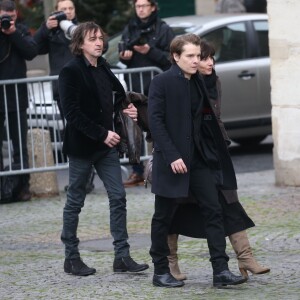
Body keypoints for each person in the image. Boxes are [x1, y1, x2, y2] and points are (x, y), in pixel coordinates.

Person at [148, 33, 247, 288]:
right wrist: (172, 156)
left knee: (213, 210)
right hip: (172, 161)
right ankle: (160, 271)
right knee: (163, 217)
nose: (196, 61)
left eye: (197, 56)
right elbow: (156, 123)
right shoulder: (161, 82)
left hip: (199, 159)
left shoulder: (198, 81)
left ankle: (221, 271)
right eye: (190, 56)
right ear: (175, 56)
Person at [167, 40, 270, 281]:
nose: (208, 62)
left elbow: (216, 118)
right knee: (174, 209)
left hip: (212, 153)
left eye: (210, 57)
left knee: (228, 200)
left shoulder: (213, 82)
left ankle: (244, 257)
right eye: (203, 58)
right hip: (184, 155)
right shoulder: (178, 82)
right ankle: (170, 261)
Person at [58, 21, 149, 276]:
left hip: (106, 147)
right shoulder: (71, 71)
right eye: (92, 38)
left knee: (118, 197)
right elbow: (71, 113)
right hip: (83, 146)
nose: (99, 42)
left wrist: (126, 107)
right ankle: (71, 257)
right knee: (75, 200)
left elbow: (119, 94)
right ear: (80, 44)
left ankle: (122, 256)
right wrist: (101, 133)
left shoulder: (103, 66)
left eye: (100, 38)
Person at [34, 0, 95, 193]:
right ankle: (79, 178)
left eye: (70, 9)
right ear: (56, 12)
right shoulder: (51, 32)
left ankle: (86, 178)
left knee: (85, 130)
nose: (67, 12)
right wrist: (45, 28)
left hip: (83, 88)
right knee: (72, 132)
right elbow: (33, 48)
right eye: (63, 10)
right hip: (62, 90)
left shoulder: (82, 30)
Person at [119, 0, 175, 187]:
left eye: (144, 5)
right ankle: (137, 171)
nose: (141, 9)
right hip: (135, 87)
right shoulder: (130, 28)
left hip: (157, 87)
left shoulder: (163, 29)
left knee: (157, 126)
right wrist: (124, 55)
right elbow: (123, 53)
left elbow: (171, 58)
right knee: (132, 127)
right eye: (138, 6)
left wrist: (150, 51)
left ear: (153, 7)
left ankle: (160, 165)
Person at [0, 0, 37, 201]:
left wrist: (12, 33)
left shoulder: (20, 31)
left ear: (16, 15)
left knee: (20, 146)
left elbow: (31, 52)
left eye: (11, 16)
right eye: (4, 16)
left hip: (16, 97)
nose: (7, 20)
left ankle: (23, 187)